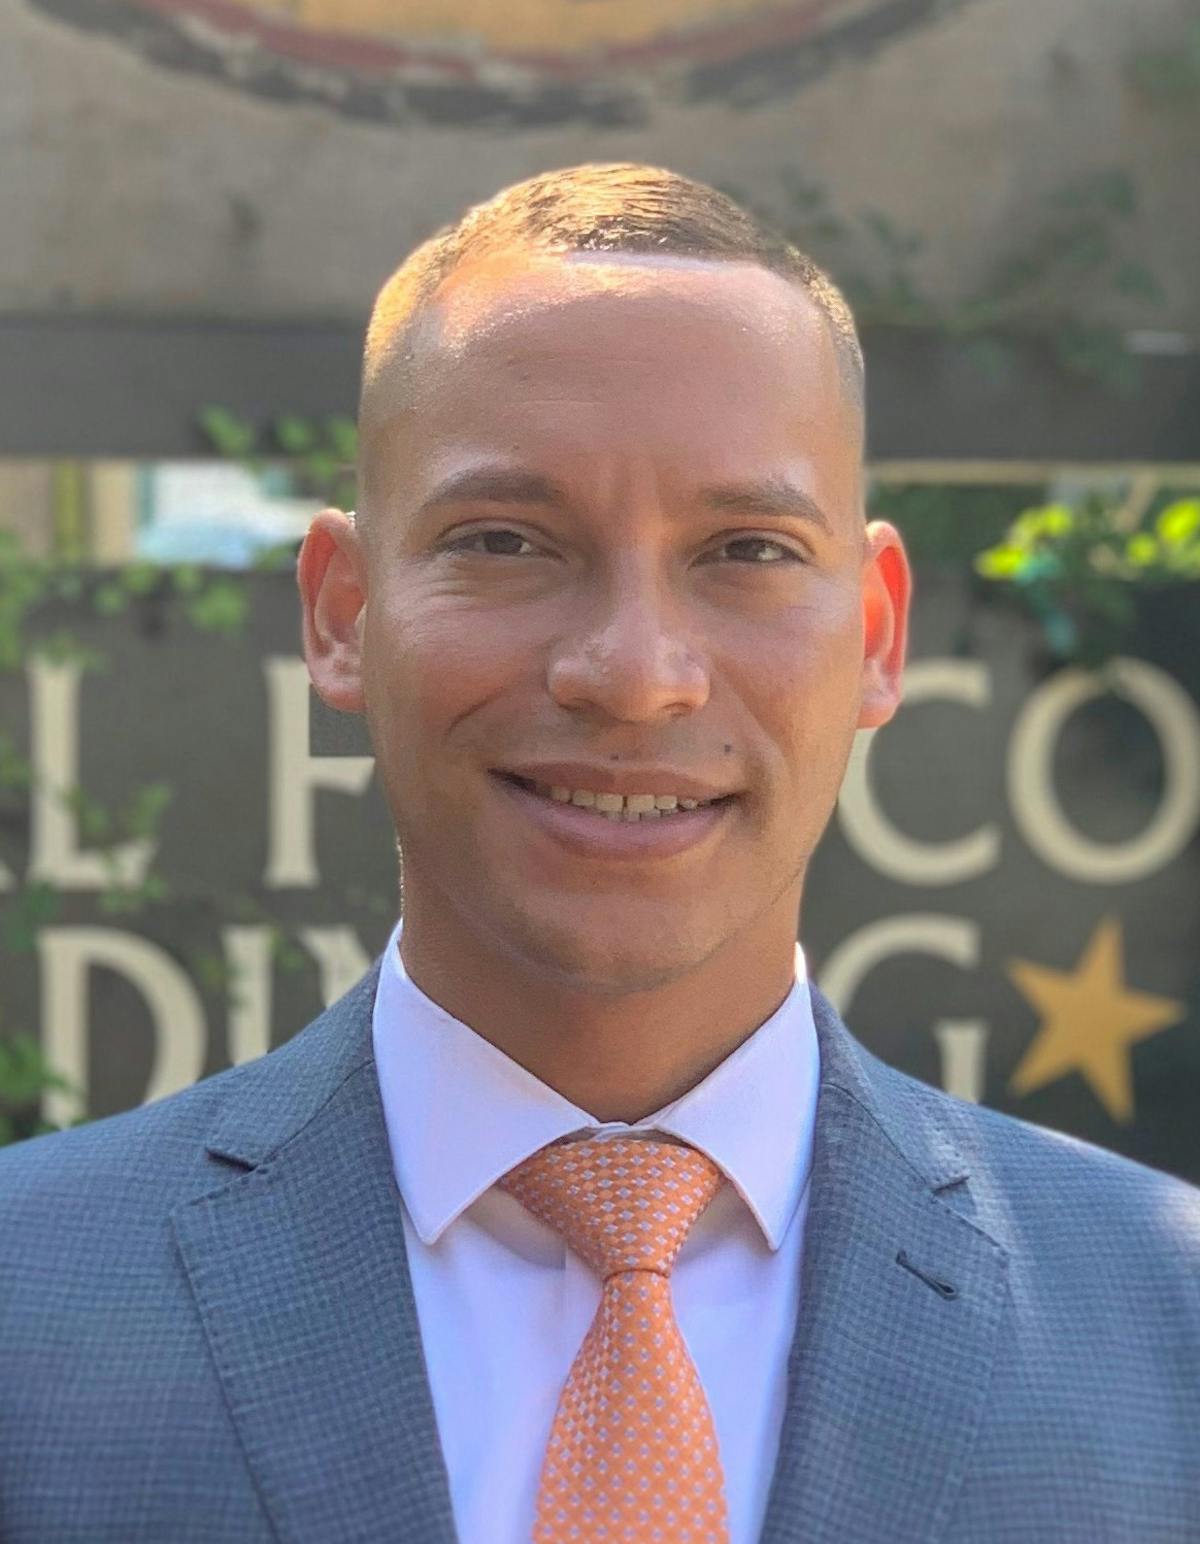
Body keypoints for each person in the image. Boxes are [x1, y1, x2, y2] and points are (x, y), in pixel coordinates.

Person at [1, 163, 1198, 1544]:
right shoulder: (28, 1301)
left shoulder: (1169, 1323)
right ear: (342, 612)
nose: (633, 674)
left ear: (874, 633)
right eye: (505, 540)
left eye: (746, 548)